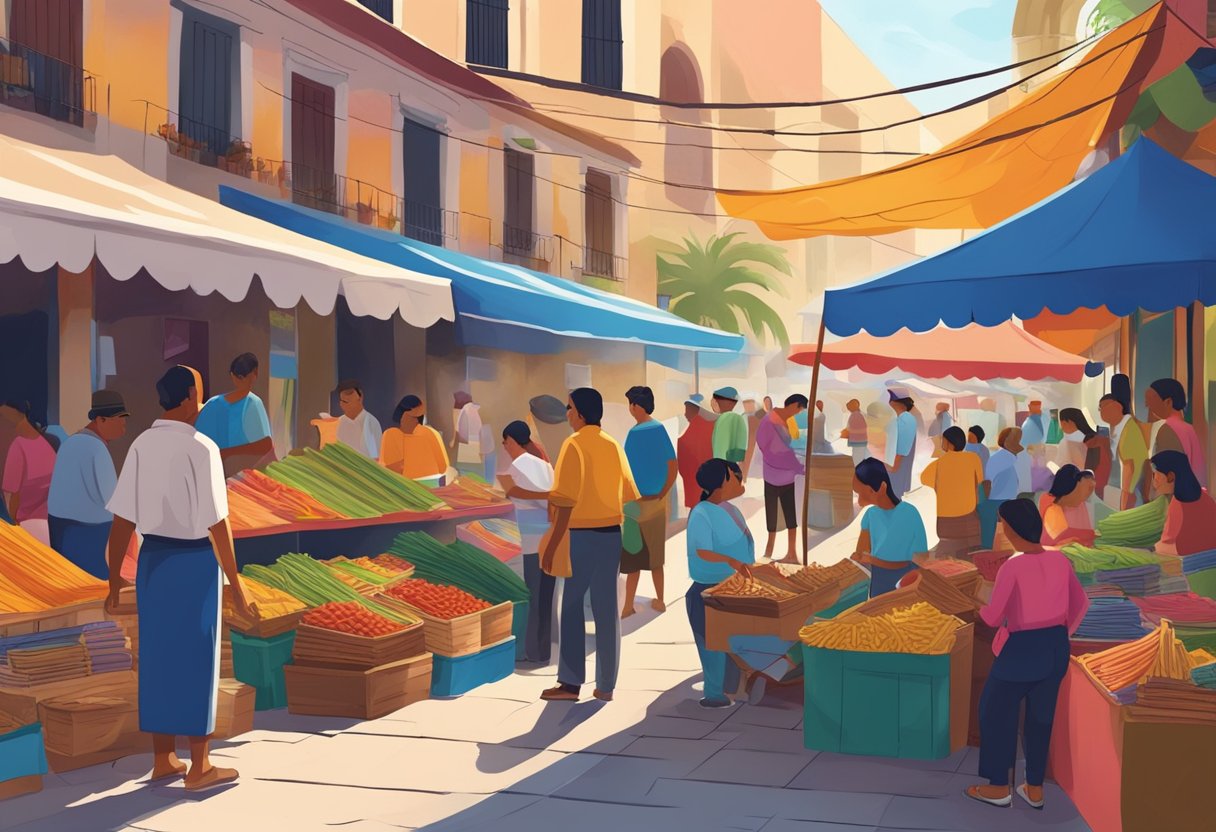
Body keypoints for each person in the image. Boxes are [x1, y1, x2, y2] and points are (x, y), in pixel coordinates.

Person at [104, 366, 255, 791]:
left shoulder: (140, 445)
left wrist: (114, 579)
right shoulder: (202, 448)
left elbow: (121, 521)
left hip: (153, 561)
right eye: (201, 396)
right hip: (194, 564)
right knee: (197, 659)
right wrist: (237, 586)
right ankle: (201, 765)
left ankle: (163, 759)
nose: (203, 403)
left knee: (159, 658)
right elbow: (218, 525)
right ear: (188, 397)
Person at [966, 499, 1088, 810]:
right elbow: (1081, 605)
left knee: (995, 711)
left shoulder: (1013, 567)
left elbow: (993, 618)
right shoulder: (1060, 561)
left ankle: (997, 786)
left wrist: (977, 604)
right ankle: (1034, 787)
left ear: (1010, 528)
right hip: (1056, 646)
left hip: (1021, 649)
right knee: (1040, 716)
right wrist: (1061, 634)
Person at [541, 388, 639, 703]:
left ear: (580, 413)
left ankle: (570, 684)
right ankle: (606, 685)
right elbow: (628, 492)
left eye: (569, 408)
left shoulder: (574, 445)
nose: (567, 414)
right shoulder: (613, 444)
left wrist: (554, 541)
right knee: (606, 609)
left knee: (571, 607)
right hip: (612, 535)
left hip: (581, 536)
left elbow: (565, 501)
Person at [685, 458, 755, 708]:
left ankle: (733, 689)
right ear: (722, 482)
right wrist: (732, 561)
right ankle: (715, 694)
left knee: (733, 642)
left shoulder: (730, 509)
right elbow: (702, 550)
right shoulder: (701, 513)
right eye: (734, 475)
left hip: (736, 587)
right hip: (709, 590)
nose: (739, 477)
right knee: (712, 645)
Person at [47, 391, 130, 578]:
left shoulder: (69, 443)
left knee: (70, 581)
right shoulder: (96, 449)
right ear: (101, 420)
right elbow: (113, 500)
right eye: (119, 418)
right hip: (89, 532)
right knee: (94, 585)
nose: (124, 424)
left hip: (59, 528)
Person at [498, 421, 556, 664]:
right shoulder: (545, 465)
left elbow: (525, 495)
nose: (505, 447)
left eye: (505, 443)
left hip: (532, 541)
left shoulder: (518, 466)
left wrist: (510, 492)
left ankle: (532, 652)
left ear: (511, 440)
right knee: (546, 597)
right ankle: (542, 650)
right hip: (551, 537)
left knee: (533, 596)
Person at [620, 386, 677, 618]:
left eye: (630, 404)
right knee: (655, 555)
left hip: (634, 503)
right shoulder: (659, 429)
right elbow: (672, 465)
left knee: (632, 556)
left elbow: (625, 471)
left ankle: (628, 606)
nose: (630, 408)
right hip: (655, 502)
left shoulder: (634, 434)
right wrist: (663, 492)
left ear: (636, 405)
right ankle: (660, 600)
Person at [851, 458, 928, 596]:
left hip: (906, 584)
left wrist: (872, 560)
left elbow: (922, 558)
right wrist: (859, 558)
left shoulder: (910, 513)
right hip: (878, 585)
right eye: (857, 494)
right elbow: (861, 553)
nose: (859, 501)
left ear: (882, 487)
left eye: (864, 493)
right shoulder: (870, 515)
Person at [194, 353, 274, 477]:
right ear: (255, 373)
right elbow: (265, 446)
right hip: (230, 475)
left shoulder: (213, 403)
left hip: (218, 472)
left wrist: (225, 453)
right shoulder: (252, 403)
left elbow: (265, 445)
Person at [1, 400, 59, 546]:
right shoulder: (45, 444)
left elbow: (11, 494)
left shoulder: (18, 446)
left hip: (25, 526)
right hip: (46, 524)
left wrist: (12, 524)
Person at [757, 395, 807, 564]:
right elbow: (771, 449)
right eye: (799, 409)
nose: (798, 413)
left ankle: (791, 553)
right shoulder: (770, 421)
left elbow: (788, 447)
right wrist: (796, 465)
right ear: (793, 405)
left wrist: (795, 465)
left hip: (788, 476)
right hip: (773, 474)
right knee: (772, 514)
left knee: (790, 514)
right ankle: (769, 551)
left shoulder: (786, 421)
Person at [920, 426, 984, 556]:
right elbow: (980, 481)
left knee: (947, 558)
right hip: (970, 520)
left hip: (946, 524)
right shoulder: (974, 459)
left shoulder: (937, 464)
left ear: (949, 442)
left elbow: (924, 479)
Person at [1151, 450, 1216, 556]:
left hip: (1186, 555)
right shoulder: (1206, 498)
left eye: (1156, 475)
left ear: (1171, 476)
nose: (1154, 481)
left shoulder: (1178, 502)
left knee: (1154, 549)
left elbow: (1167, 540)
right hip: (1210, 555)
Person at [1147, 378, 1208, 489]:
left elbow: (1166, 479)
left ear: (1168, 402)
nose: (1147, 404)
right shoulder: (1189, 429)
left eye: (1153, 399)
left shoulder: (1167, 430)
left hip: (1175, 499)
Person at [379, 395, 451, 484]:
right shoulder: (392, 435)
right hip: (408, 487)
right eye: (413, 417)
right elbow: (391, 470)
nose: (417, 421)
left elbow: (443, 467)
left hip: (429, 485)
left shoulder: (430, 433)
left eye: (420, 417)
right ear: (401, 415)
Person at [1100, 393, 1149, 510]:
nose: (1101, 411)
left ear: (1118, 407)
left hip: (1132, 491)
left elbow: (1129, 467)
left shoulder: (1128, 429)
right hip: (1120, 491)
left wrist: (1124, 502)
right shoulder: (1117, 428)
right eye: (1100, 408)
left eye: (1104, 406)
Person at [980, 428, 1026, 550]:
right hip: (1013, 500)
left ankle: (987, 547)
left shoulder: (997, 458)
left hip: (997, 501)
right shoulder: (1016, 459)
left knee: (984, 510)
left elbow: (987, 482)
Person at [1039, 465, 1096, 547]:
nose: (1082, 498)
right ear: (1067, 489)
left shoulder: (1080, 505)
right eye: (1077, 491)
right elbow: (1059, 534)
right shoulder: (1052, 507)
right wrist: (1091, 534)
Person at [1059, 407, 1110, 497]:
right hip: (1099, 484)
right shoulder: (1095, 439)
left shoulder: (1069, 441)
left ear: (1070, 422)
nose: (1061, 428)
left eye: (1062, 423)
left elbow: (1066, 466)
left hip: (1082, 485)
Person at [677, 395, 715, 510]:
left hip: (695, 481)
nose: (685, 415)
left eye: (687, 411)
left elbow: (683, 464)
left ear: (696, 411)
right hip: (708, 481)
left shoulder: (690, 433)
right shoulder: (711, 426)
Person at [334, 380, 382, 459]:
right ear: (341, 403)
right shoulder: (337, 424)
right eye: (345, 402)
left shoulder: (371, 423)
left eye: (351, 402)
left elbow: (375, 456)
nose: (349, 406)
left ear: (360, 398)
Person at [885, 389, 918, 498]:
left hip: (897, 467)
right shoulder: (904, 418)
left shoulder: (905, 419)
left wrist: (893, 466)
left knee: (893, 498)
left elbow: (902, 447)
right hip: (897, 466)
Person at [710, 387, 748, 466]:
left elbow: (721, 449)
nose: (712, 405)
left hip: (724, 468)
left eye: (715, 401)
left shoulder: (727, 418)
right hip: (732, 467)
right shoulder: (739, 417)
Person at [841, 399, 869, 465]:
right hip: (865, 441)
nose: (849, 410)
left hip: (857, 441)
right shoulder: (864, 415)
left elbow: (849, 429)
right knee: (862, 458)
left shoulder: (854, 415)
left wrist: (843, 433)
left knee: (857, 459)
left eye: (849, 409)